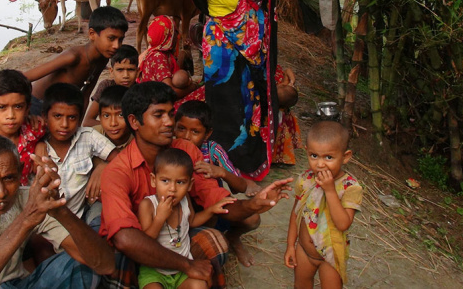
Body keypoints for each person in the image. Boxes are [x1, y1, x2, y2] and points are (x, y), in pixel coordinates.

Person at [99, 81, 294, 288]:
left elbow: (216, 199)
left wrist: (253, 204)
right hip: (138, 247)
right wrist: (186, 265)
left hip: (174, 239)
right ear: (134, 122)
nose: (168, 123)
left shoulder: (186, 151)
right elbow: (125, 239)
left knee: (215, 243)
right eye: (158, 115)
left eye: (170, 114)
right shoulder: (117, 172)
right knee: (119, 259)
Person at [0, 134, 115, 288]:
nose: (0, 193)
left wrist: (59, 210)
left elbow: (105, 264)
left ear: (20, 174)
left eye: (9, 179)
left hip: (19, 284)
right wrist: (26, 220)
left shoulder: (32, 199)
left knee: (81, 265)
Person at [185, 0, 292, 181]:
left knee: (248, 101)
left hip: (252, 48)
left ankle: (243, 157)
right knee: (221, 100)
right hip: (221, 48)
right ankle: (219, 156)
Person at [173, 100, 262, 267]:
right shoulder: (171, 150)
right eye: (181, 129)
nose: (186, 136)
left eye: (195, 132)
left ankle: (233, 238)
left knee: (253, 219)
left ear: (207, 134)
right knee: (211, 237)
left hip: (218, 206)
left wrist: (221, 172)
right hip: (191, 213)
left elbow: (238, 188)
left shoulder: (213, 150)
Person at [137, 148, 235, 289]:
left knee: (199, 285)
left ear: (190, 184)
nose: (172, 188)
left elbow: (192, 221)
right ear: (154, 180)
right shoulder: (148, 205)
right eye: (165, 181)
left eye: (180, 182)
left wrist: (211, 210)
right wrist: (159, 218)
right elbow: (145, 242)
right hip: (154, 271)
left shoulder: (184, 200)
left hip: (184, 268)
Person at [284, 121, 362, 289]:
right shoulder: (305, 179)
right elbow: (296, 214)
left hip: (331, 255)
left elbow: (343, 224)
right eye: (314, 155)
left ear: (345, 156)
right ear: (306, 151)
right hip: (304, 251)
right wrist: (291, 245)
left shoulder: (350, 187)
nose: (320, 164)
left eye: (328, 157)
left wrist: (330, 191)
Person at [24, 6, 128, 116]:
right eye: (111, 38)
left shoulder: (102, 59)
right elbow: (25, 77)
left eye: (120, 40)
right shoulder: (73, 56)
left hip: (59, 109)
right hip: (36, 104)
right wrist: (24, 109)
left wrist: (78, 127)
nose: (116, 46)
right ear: (92, 34)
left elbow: (85, 95)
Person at [34, 83, 116, 217]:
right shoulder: (36, 144)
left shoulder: (87, 136)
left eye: (72, 117)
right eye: (57, 116)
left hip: (78, 219)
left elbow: (122, 159)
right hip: (44, 222)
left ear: (79, 118)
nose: (65, 125)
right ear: (45, 116)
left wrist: (103, 166)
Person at [136, 15, 204, 110]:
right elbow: (170, 92)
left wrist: (186, 51)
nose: (178, 35)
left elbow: (175, 75)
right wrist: (194, 87)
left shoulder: (155, 53)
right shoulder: (158, 57)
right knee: (204, 92)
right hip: (161, 107)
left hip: (158, 102)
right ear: (168, 35)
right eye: (175, 31)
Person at [83, 45, 140, 127]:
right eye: (120, 70)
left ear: (138, 72)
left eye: (130, 70)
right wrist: (117, 127)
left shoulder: (139, 92)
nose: (125, 75)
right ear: (111, 71)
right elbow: (88, 122)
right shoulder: (106, 86)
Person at [273, 66, 302, 165]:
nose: (280, 84)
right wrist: (291, 82)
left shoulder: (280, 90)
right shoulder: (283, 89)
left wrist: (289, 84)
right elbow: (288, 70)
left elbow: (287, 70)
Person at [94, 84, 134, 154]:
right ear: (100, 117)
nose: (113, 123)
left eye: (120, 115)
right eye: (106, 115)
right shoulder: (91, 137)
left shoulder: (140, 140)